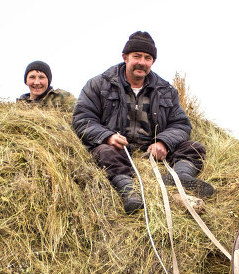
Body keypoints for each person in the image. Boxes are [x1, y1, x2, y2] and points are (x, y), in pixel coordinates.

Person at [72, 31, 213, 214]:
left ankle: (181, 177)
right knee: (105, 153)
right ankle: (129, 191)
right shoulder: (99, 84)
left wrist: (163, 142)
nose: (142, 62)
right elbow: (83, 119)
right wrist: (108, 137)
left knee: (194, 148)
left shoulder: (166, 90)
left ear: (152, 62)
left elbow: (181, 124)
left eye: (147, 58)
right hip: (118, 149)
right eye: (136, 56)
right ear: (125, 57)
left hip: (151, 151)